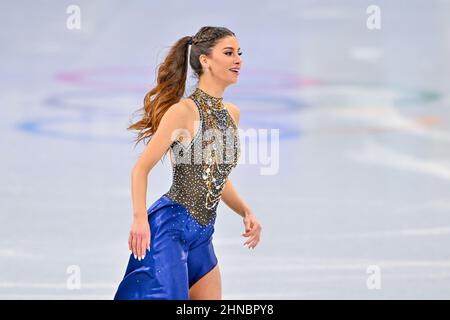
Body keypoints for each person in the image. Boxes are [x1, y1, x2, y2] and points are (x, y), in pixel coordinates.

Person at [114, 26, 262, 300]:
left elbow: (214, 176)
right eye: (228, 53)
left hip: (203, 236)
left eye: (239, 53)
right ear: (205, 60)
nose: (238, 59)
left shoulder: (232, 114)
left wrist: (245, 211)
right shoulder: (182, 113)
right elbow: (141, 169)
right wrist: (139, 220)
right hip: (170, 229)